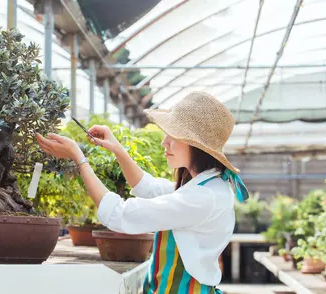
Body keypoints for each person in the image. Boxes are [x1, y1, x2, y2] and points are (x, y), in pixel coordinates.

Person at [36, 91, 249, 294]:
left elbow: (121, 214)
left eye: (173, 135)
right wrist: (117, 148)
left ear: (197, 146)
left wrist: (79, 159)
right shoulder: (207, 186)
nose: (164, 142)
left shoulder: (203, 198)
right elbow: (149, 187)